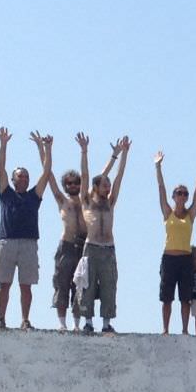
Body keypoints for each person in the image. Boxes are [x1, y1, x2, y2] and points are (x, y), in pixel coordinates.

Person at [37, 132, 108, 331]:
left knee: (81, 285)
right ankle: (62, 323)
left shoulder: (87, 200)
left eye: (75, 183)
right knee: (62, 283)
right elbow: (47, 174)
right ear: (65, 186)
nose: (73, 186)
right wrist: (45, 149)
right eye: (69, 183)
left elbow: (88, 176)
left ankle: (77, 324)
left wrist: (84, 151)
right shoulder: (62, 200)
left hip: (84, 246)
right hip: (66, 246)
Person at [0, 128, 49, 330]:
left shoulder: (35, 195)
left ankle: (25, 320)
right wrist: (3, 144)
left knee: (26, 285)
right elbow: (0, 168)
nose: (23, 179)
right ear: (13, 180)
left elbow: (47, 173)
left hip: (29, 243)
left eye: (25, 176)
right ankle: (1, 319)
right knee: (3, 283)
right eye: (19, 176)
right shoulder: (6, 193)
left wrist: (44, 149)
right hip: (6, 240)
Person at [79, 138, 132, 333]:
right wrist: (84, 152)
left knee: (109, 286)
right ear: (96, 187)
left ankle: (106, 323)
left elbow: (120, 176)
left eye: (108, 185)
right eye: (104, 185)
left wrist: (124, 153)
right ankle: (88, 322)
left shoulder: (110, 202)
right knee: (88, 285)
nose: (108, 187)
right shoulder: (86, 201)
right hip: (91, 247)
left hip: (108, 249)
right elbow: (85, 175)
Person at [155, 153, 196, 335]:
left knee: (185, 298)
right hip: (169, 258)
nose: (182, 195)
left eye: (185, 193)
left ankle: (185, 330)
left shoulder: (190, 215)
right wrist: (158, 167)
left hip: (186, 259)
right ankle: (166, 329)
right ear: (174, 196)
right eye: (179, 193)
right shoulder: (168, 212)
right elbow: (161, 189)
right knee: (166, 298)